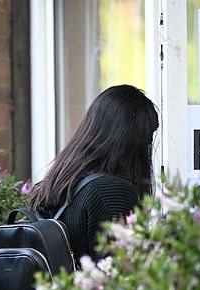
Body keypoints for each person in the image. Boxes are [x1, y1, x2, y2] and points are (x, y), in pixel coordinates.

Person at [27, 84, 158, 262]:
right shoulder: (111, 192)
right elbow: (124, 275)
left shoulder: (61, 185)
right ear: (133, 143)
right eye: (148, 139)